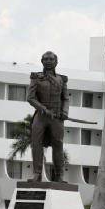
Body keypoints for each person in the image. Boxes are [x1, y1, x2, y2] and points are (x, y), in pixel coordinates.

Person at [27, 51, 69, 182]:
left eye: (51, 59)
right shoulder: (36, 78)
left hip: (56, 117)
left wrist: (65, 112)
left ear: (56, 62)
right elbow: (30, 98)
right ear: (42, 61)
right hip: (41, 116)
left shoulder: (62, 79)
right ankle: (37, 173)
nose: (48, 61)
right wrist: (43, 109)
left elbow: (65, 98)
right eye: (45, 59)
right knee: (36, 143)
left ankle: (59, 175)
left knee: (58, 144)